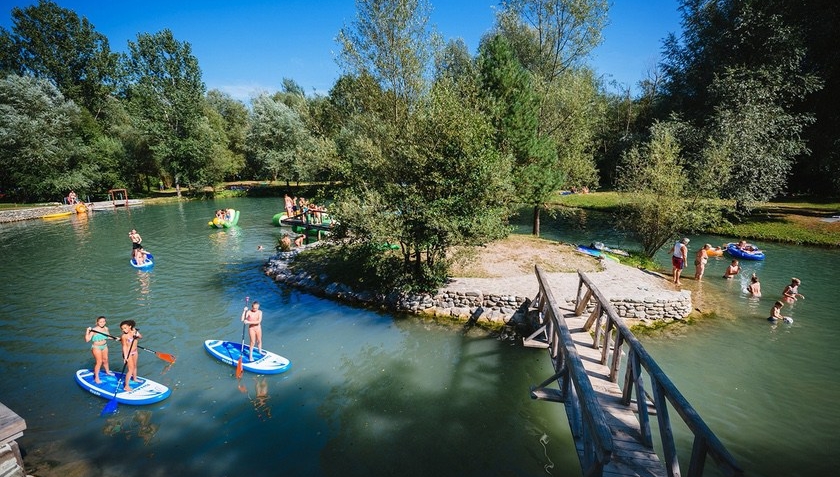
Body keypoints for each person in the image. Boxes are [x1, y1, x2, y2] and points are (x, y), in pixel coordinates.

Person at [85, 316, 113, 384]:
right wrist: (87, 331)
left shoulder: (106, 328)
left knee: (105, 360)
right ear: (97, 322)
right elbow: (87, 340)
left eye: (104, 321)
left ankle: (107, 372)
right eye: (100, 322)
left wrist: (115, 338)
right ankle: (96, 378)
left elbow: (108, 336)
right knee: (99, 362)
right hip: (96, 347)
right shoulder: (94, 330)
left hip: (104, 346)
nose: (102, 323)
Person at [119, 320, 142, 391]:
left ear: (130, 326)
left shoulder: (134, 332)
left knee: (135, 366)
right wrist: (125, 356)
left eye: (125, 328)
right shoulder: (124, 336)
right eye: (122, 329)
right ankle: (126, 386)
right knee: (130, 369)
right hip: (128, 353)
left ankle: (135, 378)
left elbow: (141, 337)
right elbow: (124, 347)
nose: (124, 330)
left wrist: (137, 334)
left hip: (135, 352)